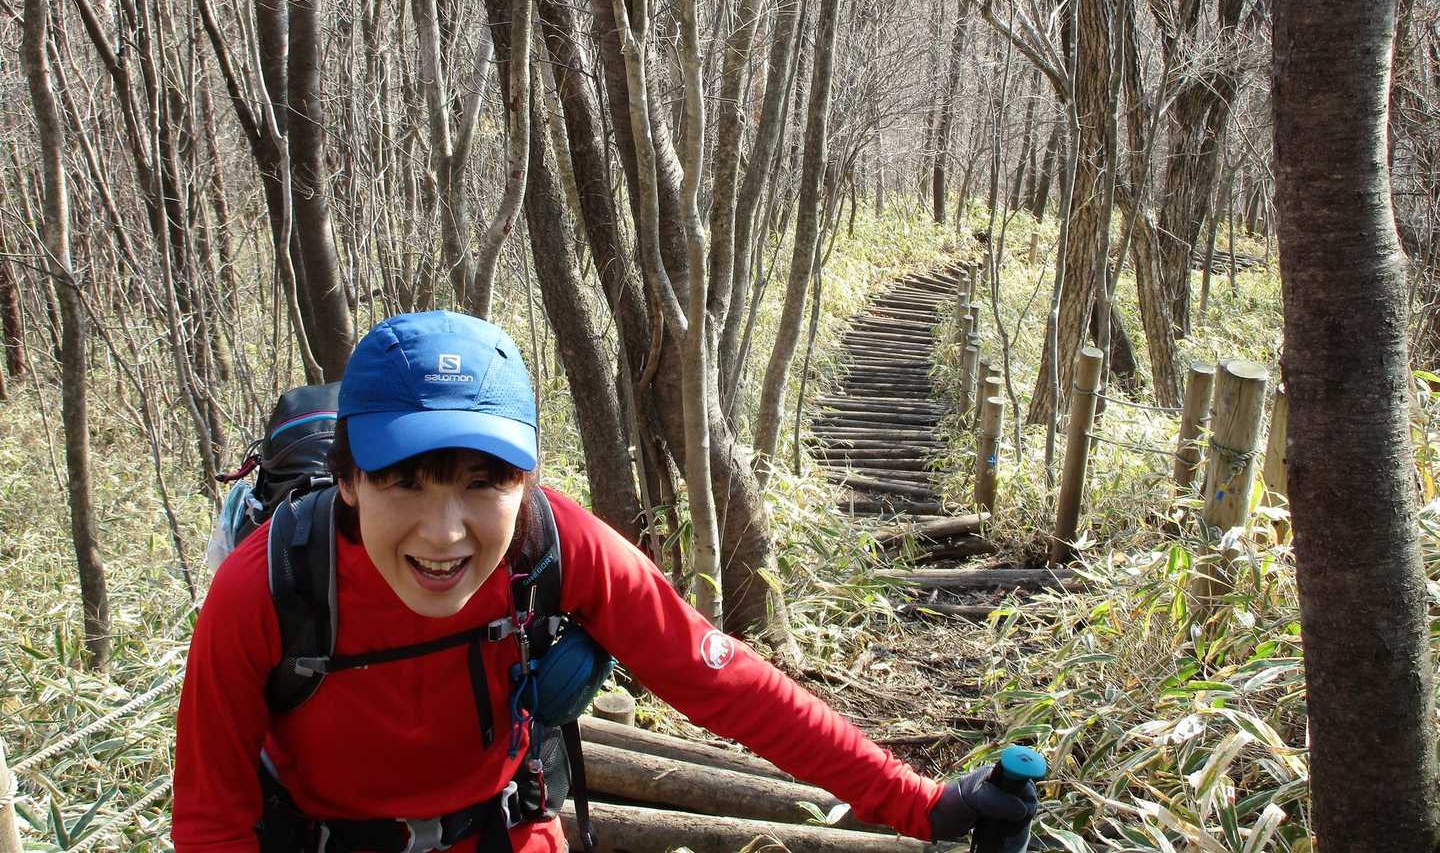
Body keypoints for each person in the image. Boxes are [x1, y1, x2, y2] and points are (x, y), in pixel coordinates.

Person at [173, 311, 1036, 852]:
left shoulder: (554, 544)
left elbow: (723, 680)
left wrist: (921, 804)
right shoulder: (265, 589)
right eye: (405, 482)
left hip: (505, 831)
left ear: (527, 483)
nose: (445, 533)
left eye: (484, 482)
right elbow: (211, 822)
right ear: (349, 480)